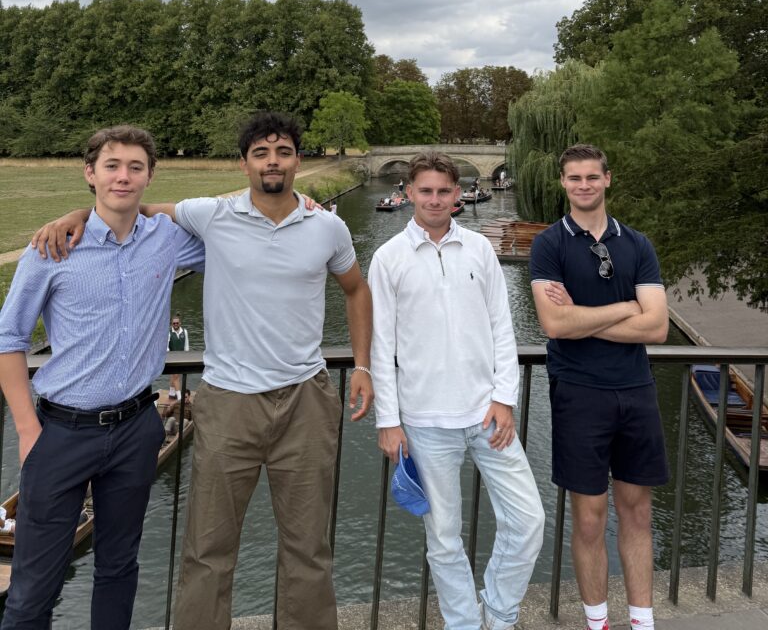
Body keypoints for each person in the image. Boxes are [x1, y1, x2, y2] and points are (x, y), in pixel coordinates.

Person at [32, 111, 373, 630]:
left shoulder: (327, 224)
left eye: (283, 152)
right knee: (208, 549)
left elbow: (356, 289)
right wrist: (78, 213)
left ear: (298, 160)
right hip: (229, 402)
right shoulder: (211, 214)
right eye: (261, 153)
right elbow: (132, 204)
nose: (273, 162)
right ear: (244, 164)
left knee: (308, 548)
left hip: (306, 399)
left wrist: (364, 365)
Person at [0, 125, 205, 630]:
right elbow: (9, 341)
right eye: (112, 166)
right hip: (61, 433)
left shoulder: (167, 241)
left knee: (119, 568)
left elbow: (239, 228)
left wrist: (298, 205)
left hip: (137, 428)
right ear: (89, 173)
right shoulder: (50, 249)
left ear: (150, 176)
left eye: (136, 167)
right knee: (33, 587)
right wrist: (29, 432)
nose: (124, 176)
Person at [370, 151, 544, 630]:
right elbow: (381, 345)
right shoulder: (388, 258)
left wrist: (504, 397)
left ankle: (499, 613)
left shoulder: (479, 250)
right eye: (425, 190)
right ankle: (464, 623)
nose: (434, 199)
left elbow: (501, 328)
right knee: (443, 537)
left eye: (444, 191)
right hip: (425, 421)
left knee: (528, 520)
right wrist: (389, 421)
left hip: (487, 414)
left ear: (457, 195)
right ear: (407, 194)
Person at [529, 144, 669, 630]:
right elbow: (554, 324)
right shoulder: (549, 244)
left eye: (592, 177)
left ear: (608, 179)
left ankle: (642, 621)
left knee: (637, 512)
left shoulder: (638, 244)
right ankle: (597, 623)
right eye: (574, 178)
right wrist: (628, 306)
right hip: (579, 391)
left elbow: (658, 329)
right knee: (588, 517)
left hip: (636, 388)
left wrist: (581, 319)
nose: (583, 185)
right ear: (563, 184)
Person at [167, 312, 189, 399]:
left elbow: (186, 346)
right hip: (172, 357)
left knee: (175, 375)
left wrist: (187, 356)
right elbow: (166, 347)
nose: (175, 324)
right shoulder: (169, 333)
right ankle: (180, 397)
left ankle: (172, 393)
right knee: (176, 376)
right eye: (173, 323)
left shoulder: (185, 332)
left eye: (177, 323)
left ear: (180, 323)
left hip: (182, 357)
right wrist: (169, 356)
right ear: (171, 324)